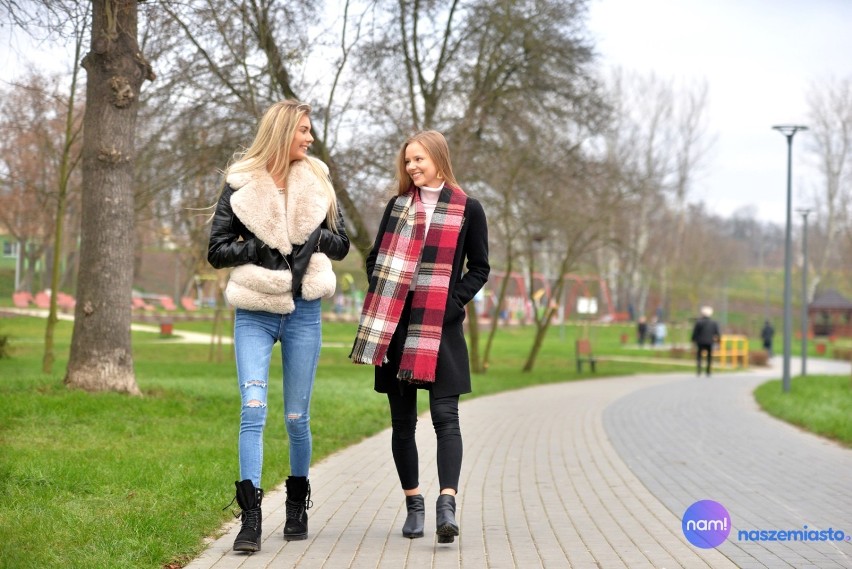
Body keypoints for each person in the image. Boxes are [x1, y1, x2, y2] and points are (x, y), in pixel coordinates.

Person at [207, 100, 350, 552]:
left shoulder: (319, 180)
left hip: (304, 313)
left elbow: (343, 242)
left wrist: (312, 239)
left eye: (311, 131)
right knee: (252, 409)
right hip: (254, 310)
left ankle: (295, 507)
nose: (309, 139)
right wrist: (255, 249)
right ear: (282, 132)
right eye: (303, 130)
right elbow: (216, 250)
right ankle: (249, 519)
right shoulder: (239, 183)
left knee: (296, 418)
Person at [350, 130, 489, 544]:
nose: (412, 167)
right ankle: (414, 503)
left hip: (440, 327)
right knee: (402, 422)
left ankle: (447, 503)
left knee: (446, 418)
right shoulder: (397, 207)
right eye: (407, 161)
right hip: (395, 324)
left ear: (438, 159)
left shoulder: (468, 209)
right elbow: (375, 257)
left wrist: (450, 304)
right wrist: (388, 286)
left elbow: (479, 268)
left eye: (419, 159)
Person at [691, 306, 721, 376]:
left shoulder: (699, 322)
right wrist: (718, 341)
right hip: (710, 342)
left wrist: (693, 340)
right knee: (709, 356)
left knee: (699, 356)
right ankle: (708, 370)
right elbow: (717, 333)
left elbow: (695, 333)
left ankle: (699, 370)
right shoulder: (714, 323)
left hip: (700, 341)